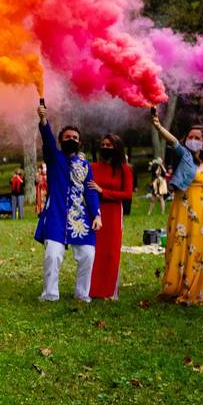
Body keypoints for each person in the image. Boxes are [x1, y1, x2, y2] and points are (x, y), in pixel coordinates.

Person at [152, 116, 203, 305]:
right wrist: (159, 126)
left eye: (197, 138)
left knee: (202, 248)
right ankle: (178, 287)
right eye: (190, 137)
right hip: (185, 208)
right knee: (182, 245)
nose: (192, 140)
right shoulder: (184, 155)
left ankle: (200, 289)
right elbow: (173, 141)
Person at [35, 104, 101, 303]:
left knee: (88, 255)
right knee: (52, 256)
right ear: (61, 141)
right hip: (56, 215)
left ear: (79, 142)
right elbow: (47, 141)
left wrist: (97, 214)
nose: (71, 140)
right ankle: (50, 295)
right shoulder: (54, 158)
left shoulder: (85, 165)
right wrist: (44, 121)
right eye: (67, 137)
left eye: (74, 138)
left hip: (81, 218)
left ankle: (82, 294)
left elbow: (90, 190)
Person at [88, 134, 133, 300]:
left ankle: (109, 291)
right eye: (103, 144)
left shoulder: (124, 169)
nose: (105, 147)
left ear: (117, 148)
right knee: (94, 250)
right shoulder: (92, 167)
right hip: (94, 212)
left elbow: (127, 194)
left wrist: (102, 191)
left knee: (111, 252)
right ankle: (92, 289)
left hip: (113, 213)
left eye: (110, 145)